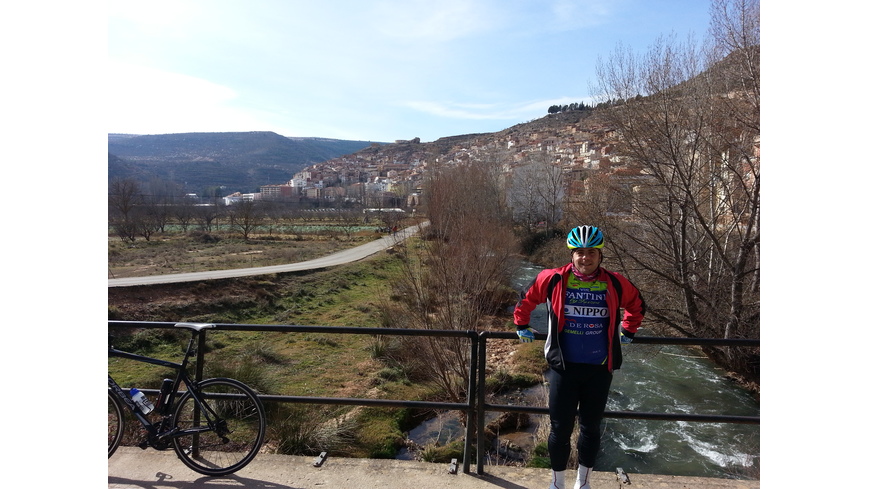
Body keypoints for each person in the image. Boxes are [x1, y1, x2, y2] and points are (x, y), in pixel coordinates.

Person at [513, 225, 645, 489]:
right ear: (572, 254)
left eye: (591, 253)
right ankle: (557, 483)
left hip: (599, 368)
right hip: (564, 367)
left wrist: (628, 329)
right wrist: (521, 325)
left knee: (590, 429)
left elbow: (637, 304)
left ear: (600, 255)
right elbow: (526, 298)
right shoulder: (553, 279)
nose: (585, 258)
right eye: (580, 252)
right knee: (560, 429)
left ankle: (582, 484)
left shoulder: (615, 282)